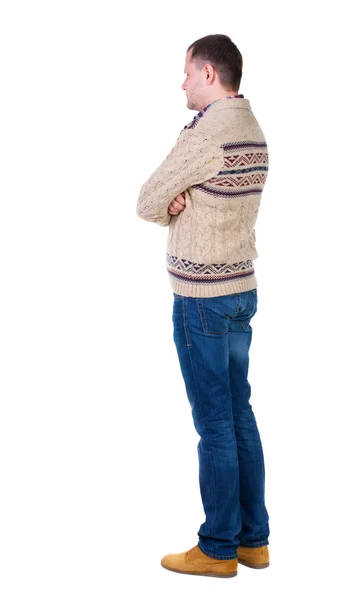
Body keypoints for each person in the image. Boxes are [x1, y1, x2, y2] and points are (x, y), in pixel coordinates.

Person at [136, 34, 270, 578]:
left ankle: (217, 547)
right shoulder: (252, 129)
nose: (183, 82)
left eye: (188, 72)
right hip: (241, 290)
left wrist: (173, 203)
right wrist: (179, 200)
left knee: (214, 424)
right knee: (239, 416)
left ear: (210, 74)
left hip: (202, 300)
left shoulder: (207, 133)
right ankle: (253, 541)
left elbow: (146, 199)